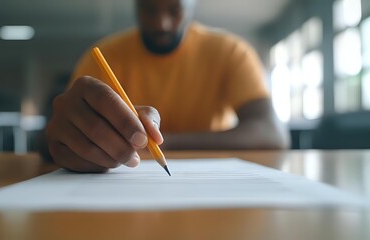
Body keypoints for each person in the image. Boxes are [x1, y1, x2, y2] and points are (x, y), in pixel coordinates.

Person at [45, 0, 290, 173]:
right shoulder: (104, 56)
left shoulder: (232, 53)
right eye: (148, 8)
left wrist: (163, 142)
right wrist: (65, 137)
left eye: (174, 9)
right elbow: (53, 136)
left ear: (193, 5)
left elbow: (271, 134)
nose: (161, 23)